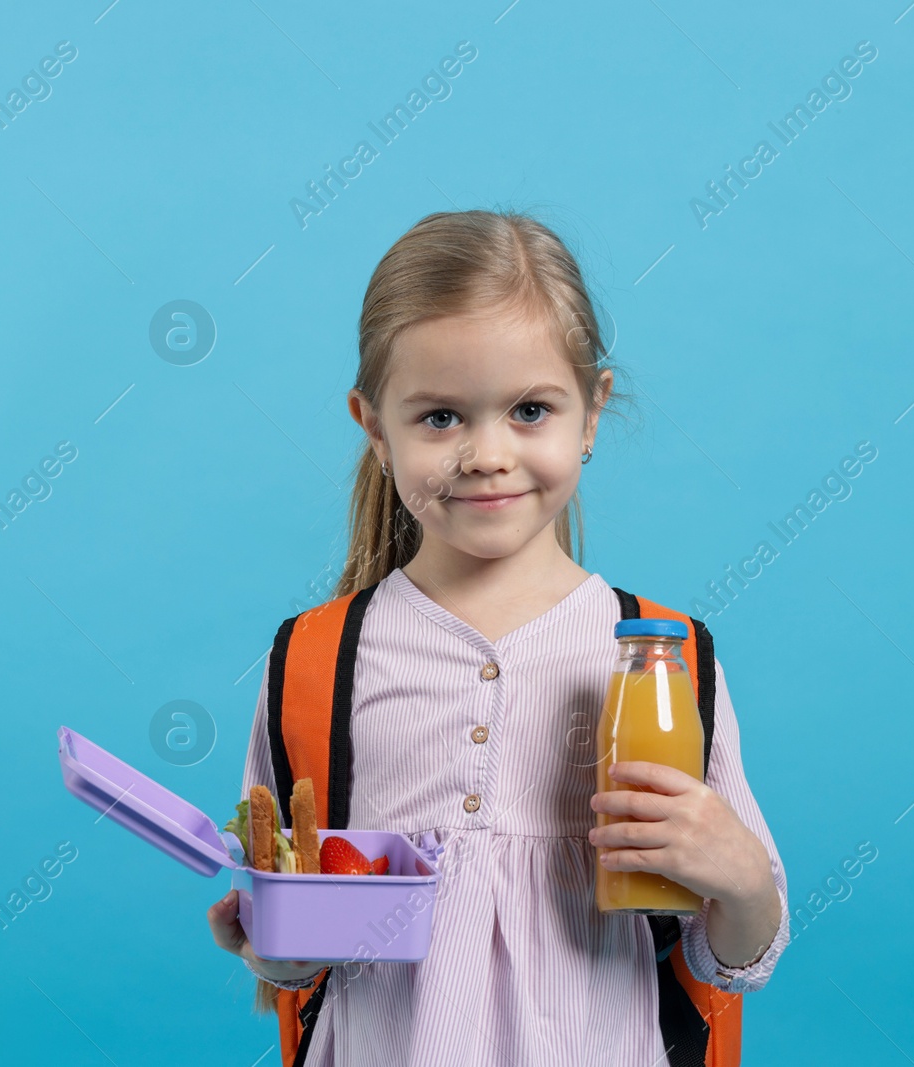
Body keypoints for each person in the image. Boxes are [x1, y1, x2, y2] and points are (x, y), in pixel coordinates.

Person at [205, 209, 788, 1065]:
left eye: (529, 409)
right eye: (440, 417)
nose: (486, 453)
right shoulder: (316, 660)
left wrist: (739, 879)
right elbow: (297, 963)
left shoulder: (660, 657)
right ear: (374, 426)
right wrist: (275, 939)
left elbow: (731, 960)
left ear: (592, 412)